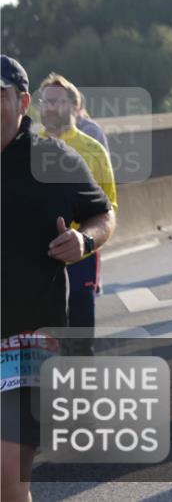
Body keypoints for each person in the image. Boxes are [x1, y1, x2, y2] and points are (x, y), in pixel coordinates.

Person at [2, 55, 116, 502]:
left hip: (27, 339)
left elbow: (101, 213)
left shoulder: (52, 158)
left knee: (8, 472)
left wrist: (84, 241)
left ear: (22, 101)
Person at [37, 74, 118, 350]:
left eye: (57, 102)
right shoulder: (26, 146)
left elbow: (109, 205)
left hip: (80, 244)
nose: (49, 108)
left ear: (74, 106)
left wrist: (85, 237)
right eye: (45, 102)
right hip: (38, 246)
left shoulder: (92, 149)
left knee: (81, 304)